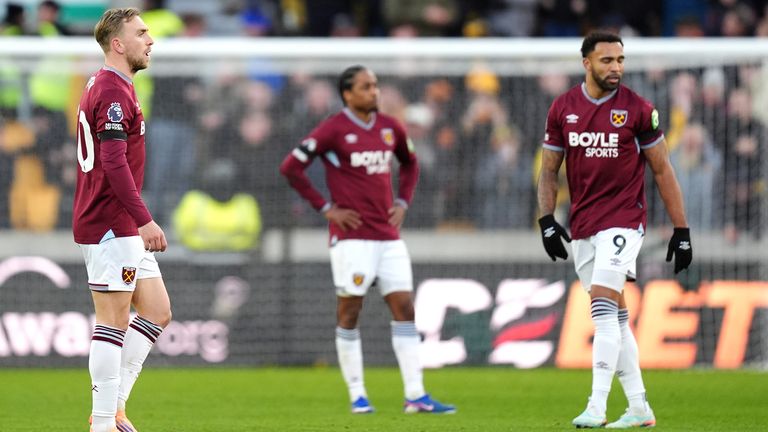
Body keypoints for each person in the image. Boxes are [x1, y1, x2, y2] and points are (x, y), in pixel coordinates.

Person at [536, 31, 692, 429]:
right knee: (617, 319)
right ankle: (640, 407)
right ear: (586, 63)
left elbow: (662, 169)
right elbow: (549, 170)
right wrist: (546, 220)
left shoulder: (639, 109)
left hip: (624, 220)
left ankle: (596, 405)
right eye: (607, 60)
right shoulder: (563, 108)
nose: (616, 68)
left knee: (602, 308)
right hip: (584, 225)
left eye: (620, 60)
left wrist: (682, 229)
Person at [279, 65, 455, 415]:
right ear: (348, 94)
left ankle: (416, 395)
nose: (374, 92)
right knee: (350, 311)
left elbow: (410, 163)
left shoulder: (391, 128)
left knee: (404, 308)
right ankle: (358, 393)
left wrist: (403, 201)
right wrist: (326, 208)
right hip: (351, 238)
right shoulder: (333, 129)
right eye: (365, 87)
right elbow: (291, 167)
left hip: (388, 237)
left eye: (375, 86)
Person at [72, 8, 171, 432]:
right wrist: (144, 219)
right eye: (141, 33)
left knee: (157, 312)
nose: (150, 40)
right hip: (111, 223)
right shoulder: (112, 91)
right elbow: (113, 163)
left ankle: (113, 408)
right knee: (111, 321)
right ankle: (102, 424)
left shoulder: (113, 86)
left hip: (119, 223)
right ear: (118, 43)